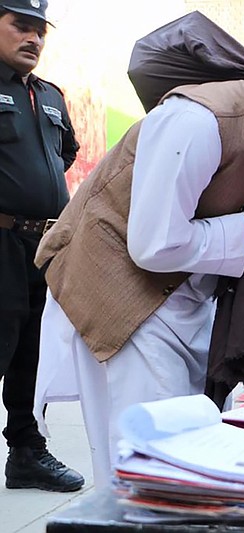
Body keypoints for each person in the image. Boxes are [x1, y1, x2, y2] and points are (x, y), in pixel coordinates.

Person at [33, 14, 244, 488]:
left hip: (187, 300)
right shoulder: (195, 122)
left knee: (185, 465)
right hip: (120, 296)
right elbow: (154, 246)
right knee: (145, 471)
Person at [0, 0, 84, 492]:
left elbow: (64, 152)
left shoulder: (50, 96)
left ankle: (27, 453)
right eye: (19, 26)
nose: (33, 38)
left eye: (40, 31)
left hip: (41, 246)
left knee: (33, 354)